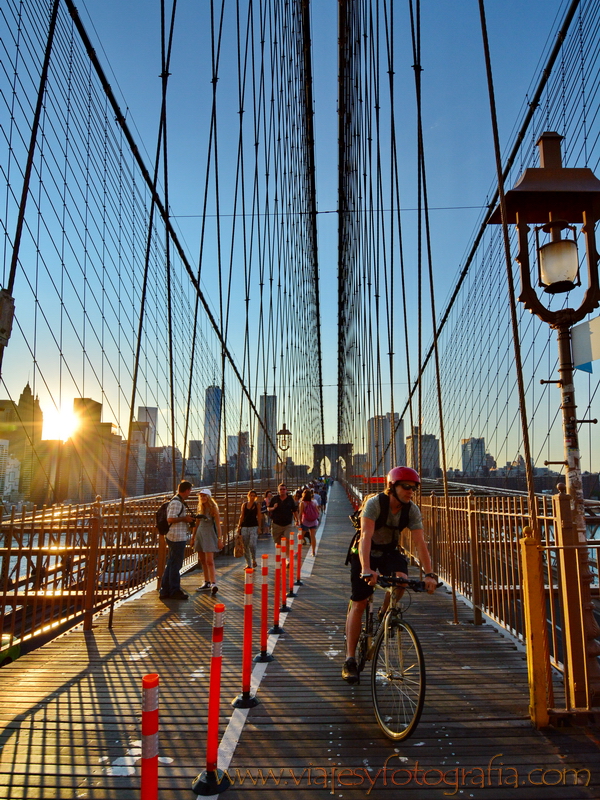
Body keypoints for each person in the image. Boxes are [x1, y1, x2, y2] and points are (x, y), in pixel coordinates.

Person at [342, 467, 438, 684]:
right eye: (406, 487)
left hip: (389, 552)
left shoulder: (411, 510)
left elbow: (420, 543)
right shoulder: (375, 503)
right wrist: (366, 569)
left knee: (402, 581)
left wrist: (430, 574)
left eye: (414, 488)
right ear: (392, 486)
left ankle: (385, 615)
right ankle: (350, 660)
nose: (410, 491)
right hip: (364, 553)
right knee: (359, 602)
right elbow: (365, 536)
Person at [159, 480, 195, 600]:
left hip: (176, 535)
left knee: (171, 563)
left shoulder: (179, 501)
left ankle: (165, 590)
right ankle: (174, 590)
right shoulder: (176, 503)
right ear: (186, 490)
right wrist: (185, 518)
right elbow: (170, 519)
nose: (190, 493)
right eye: (190, 490)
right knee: (176, 564)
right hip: (176, 537)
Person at [194, 488, 224, 596]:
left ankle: (213, 583)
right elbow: (196, 524)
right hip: (200, 534)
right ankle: (206, 581)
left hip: (209, 535)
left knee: (209, 561)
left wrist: (220, 539)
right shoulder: (200, 508)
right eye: (201, 496)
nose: (202, 498)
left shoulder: (213, 509)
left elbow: (218, 525)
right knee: (202, 560)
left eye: (204, 496)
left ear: (209, 497)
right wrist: (193, 538)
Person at [237, 489, 263, 568]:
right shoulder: (244, 505)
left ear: (255, 497)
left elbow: (259, 516)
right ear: (248, 496)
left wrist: (259, 527)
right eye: (250, 495)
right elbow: (242, 516)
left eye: (253, 496)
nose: (252, 497)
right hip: (245, 526)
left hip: (253, 526)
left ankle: (254, 559)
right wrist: (239, 526)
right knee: (245, 545)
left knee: (252, 544)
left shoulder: (257, 505)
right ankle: (248, 563)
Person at [268, 483, 298, 548]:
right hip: (276, 524)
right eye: (281, 489)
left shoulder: (290, 499)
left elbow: (294, 510)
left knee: (287, 540)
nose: (282, 491)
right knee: (277, 543)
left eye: (284, 489)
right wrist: (273, 508)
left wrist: (297, 520)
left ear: (286, 490)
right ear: (278, 490)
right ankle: (280, 556)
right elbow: (268, 508)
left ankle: (287, 556)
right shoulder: (275, 499)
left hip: (287, 524)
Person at [298, 488, 319, 556]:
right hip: (313, 521)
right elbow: (318, 512)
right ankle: (313, 551)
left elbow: (300, 513)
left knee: (300, 536)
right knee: (312, 536)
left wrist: (299, 521)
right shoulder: (314, 502)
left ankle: (299, 551)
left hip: (305, 522)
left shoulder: (302, 503)